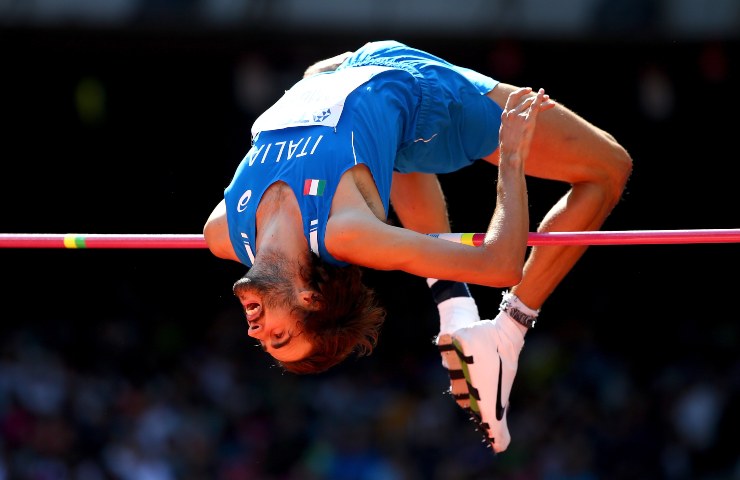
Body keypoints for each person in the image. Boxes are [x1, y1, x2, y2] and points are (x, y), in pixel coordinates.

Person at [203, 40, 633, 453]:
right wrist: (512, 158)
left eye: (267, 340)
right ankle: (508, 332)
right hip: (431, 99)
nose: (254, 331)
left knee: (377, 141)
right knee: (610, 167)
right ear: (309, 298)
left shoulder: (224, 233)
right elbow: (501, 264)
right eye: (280, 335)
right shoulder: (344, 232)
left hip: (360, 66)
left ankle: (455, 308)